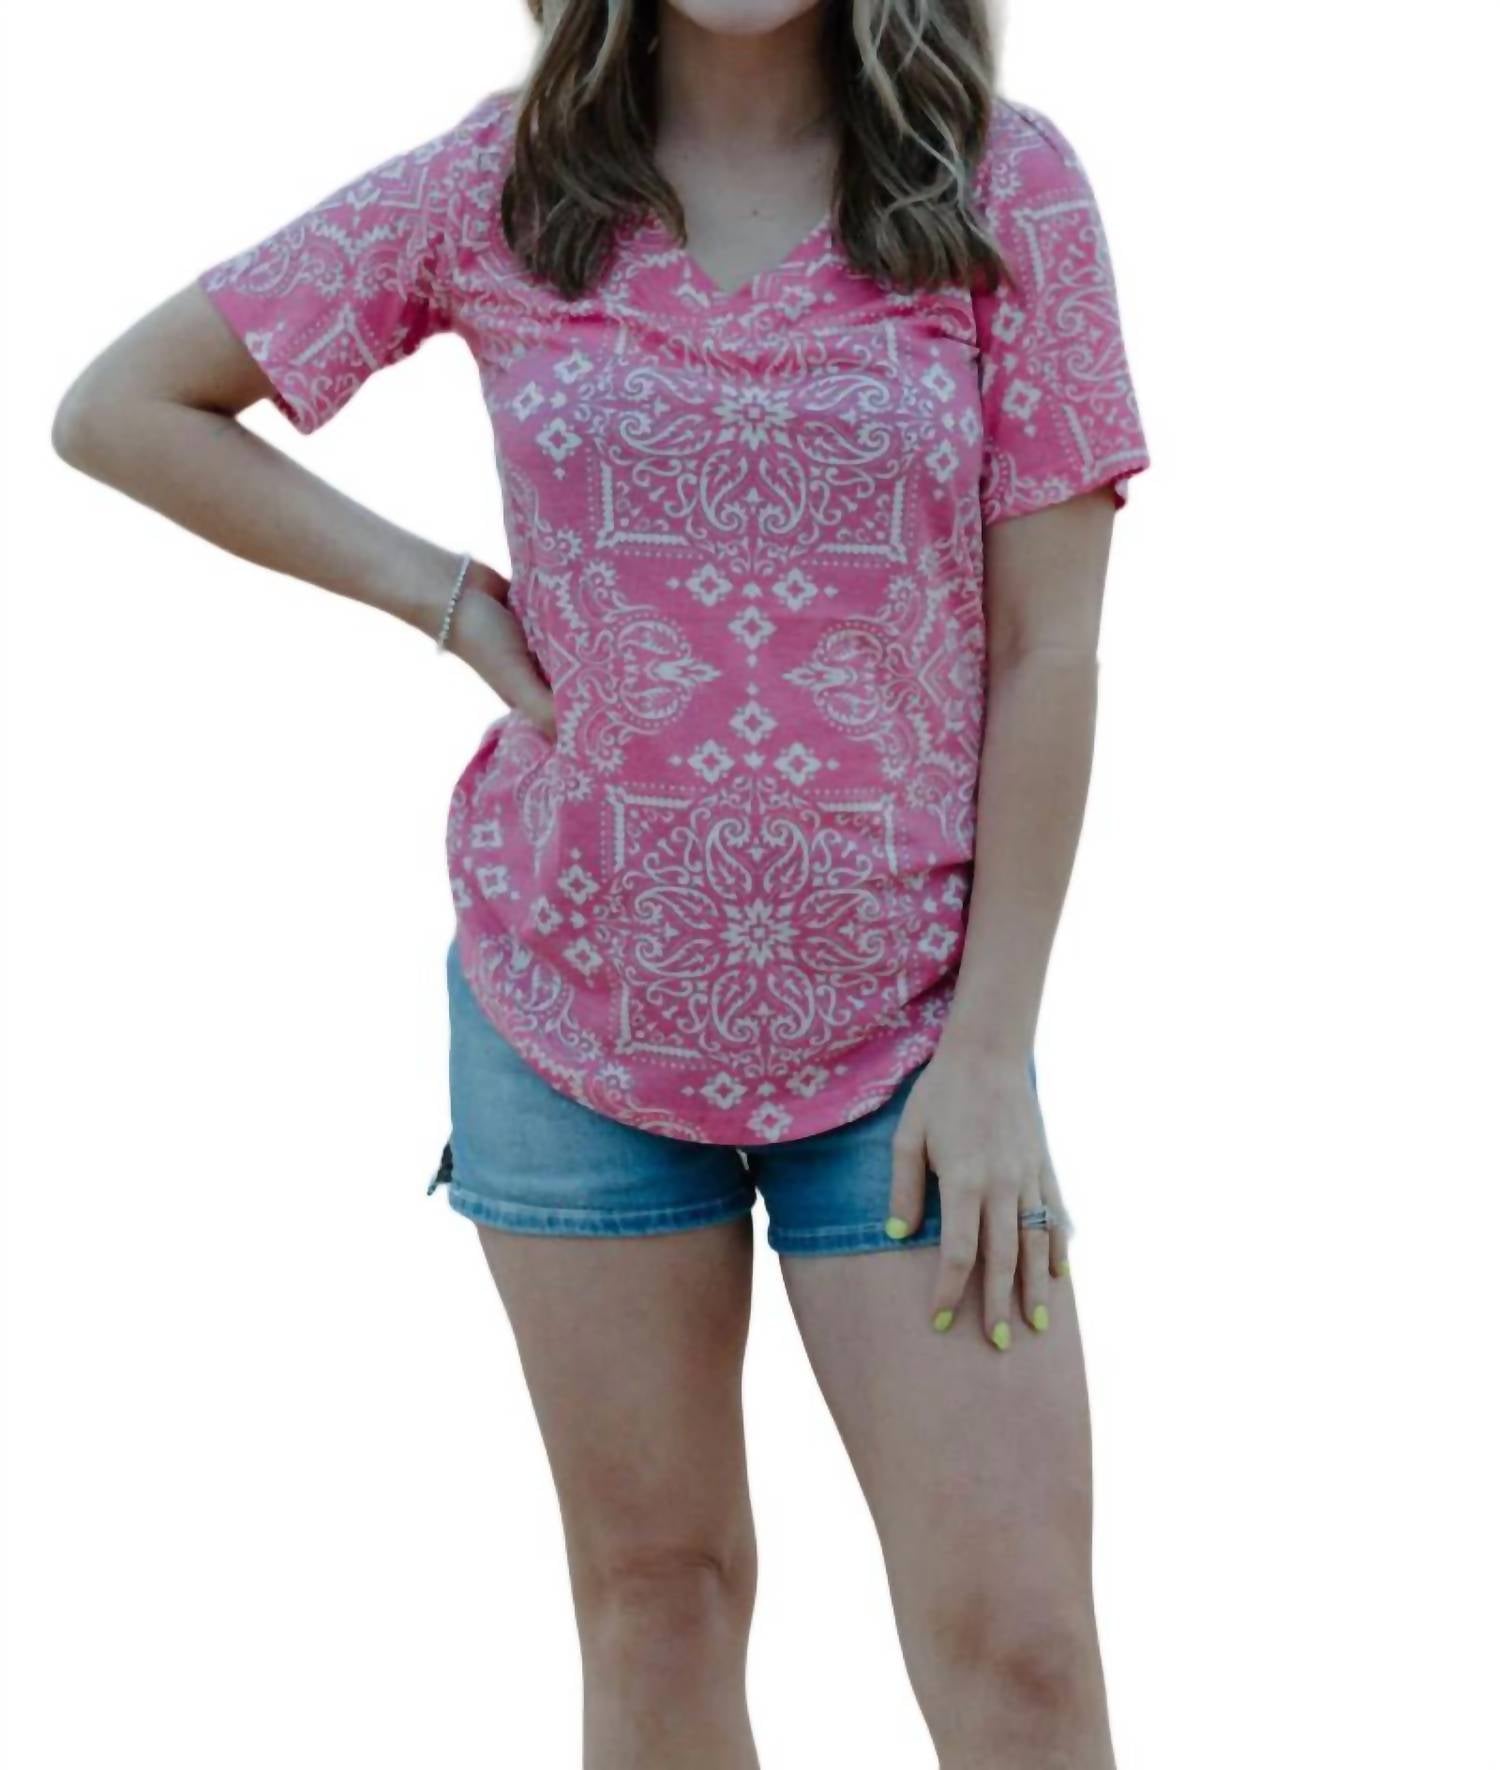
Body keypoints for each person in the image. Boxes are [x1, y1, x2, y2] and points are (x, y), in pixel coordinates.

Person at [52, 0, 1152, 1761]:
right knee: (659, 1594)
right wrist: (446, 598)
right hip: (571, 1017)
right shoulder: (500, 183)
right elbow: (123, 407)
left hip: (916, 1044)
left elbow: (1052, 654)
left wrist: (995, 1050)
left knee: (1017, 1646)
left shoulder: (1000, 189)